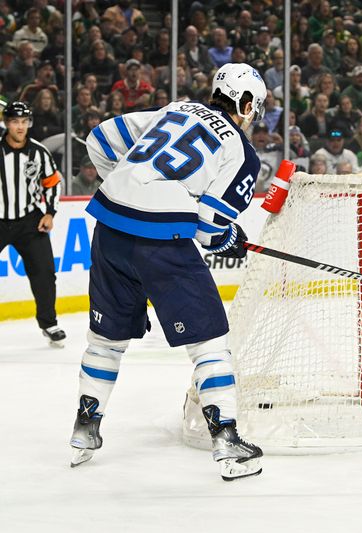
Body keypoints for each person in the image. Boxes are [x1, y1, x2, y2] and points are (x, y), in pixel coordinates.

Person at [70, 63, 267, 481]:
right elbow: (211, 226)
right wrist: (225, 237)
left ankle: (85, 430)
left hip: (110, 227)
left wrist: (133, 185)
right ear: (246, 104)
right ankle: (228, 443)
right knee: (210, 343)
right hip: (161, 244)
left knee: (105, 341)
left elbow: (100, 139)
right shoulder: (241, 151)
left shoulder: (173, 109)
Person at [0, 101, 65, 346]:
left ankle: (49, 323)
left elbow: (52, 183)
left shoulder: (39, 152)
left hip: (29, 222)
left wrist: (49, 213)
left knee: (45, 273)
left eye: (23, 121)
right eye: (15, 121)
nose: (19, 126)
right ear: (7, 123)